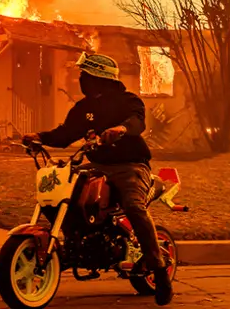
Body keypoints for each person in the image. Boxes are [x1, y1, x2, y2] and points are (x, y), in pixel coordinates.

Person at [23, 52, 174, 306]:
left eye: (85, 75)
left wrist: (121, 129)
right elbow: (65, 134)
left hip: (130, 166)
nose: (81, 79)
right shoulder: (83, 108)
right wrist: (39, 136)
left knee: (135, 208)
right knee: (66, 196)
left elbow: (137, 122)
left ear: (99, 78)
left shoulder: (129, 101)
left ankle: (159, 271)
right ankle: (76, 243)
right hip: (97, 165)